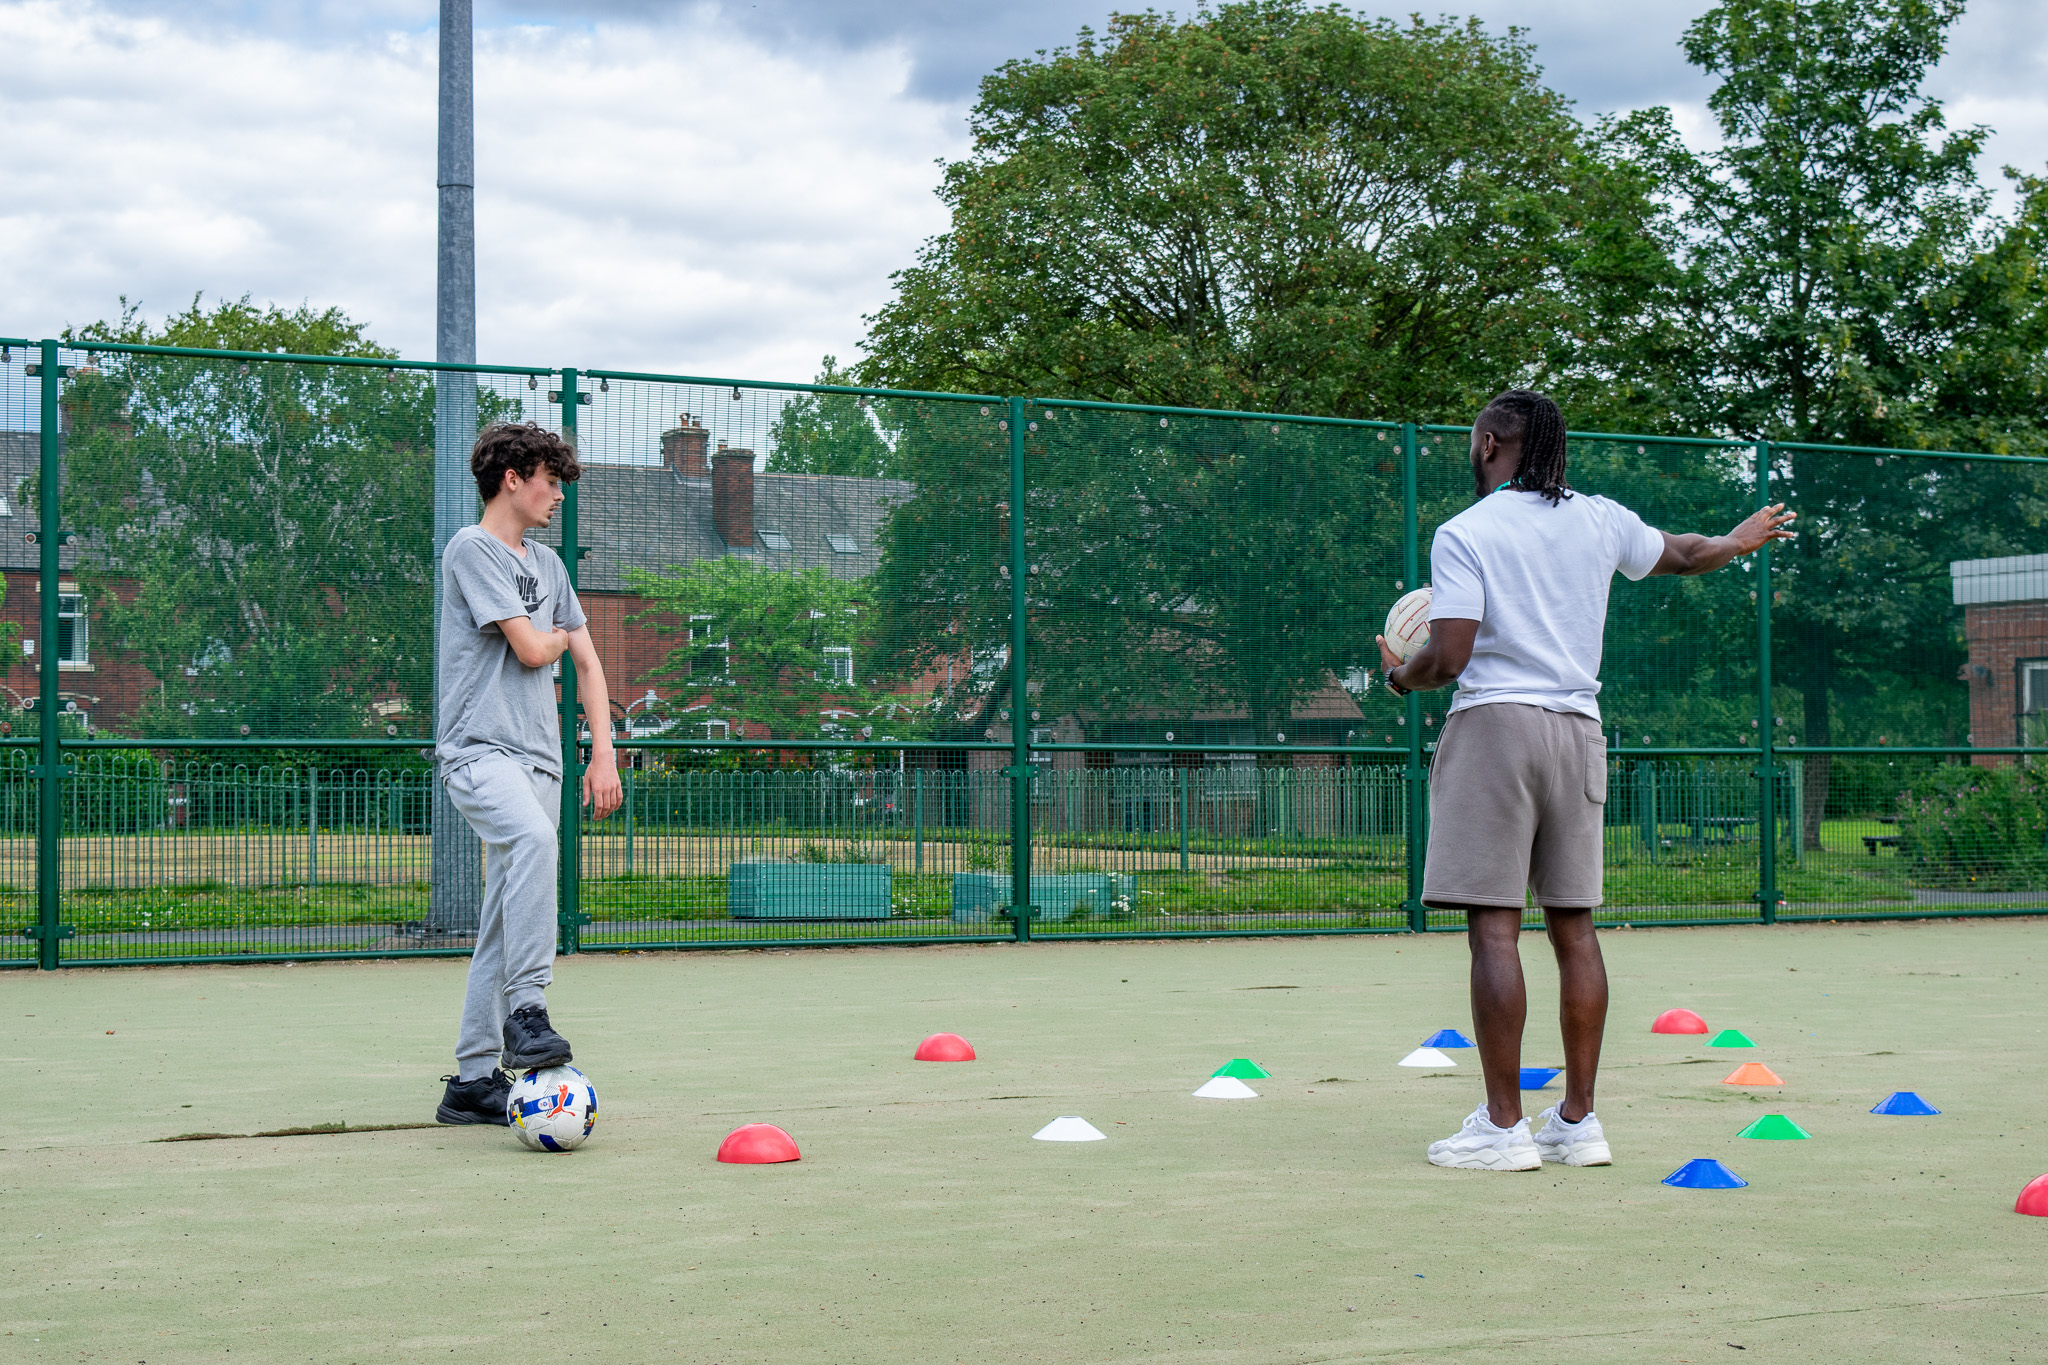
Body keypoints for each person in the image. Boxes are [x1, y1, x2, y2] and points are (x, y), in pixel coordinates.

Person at [1377, 390, 1794, 1171]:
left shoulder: (1466, 532)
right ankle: (1577, 1120)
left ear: (1492, 442)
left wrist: (1402, 676)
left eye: (1476, 440)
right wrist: (1738, 539)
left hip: (1497, 726)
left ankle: (1503, 1131)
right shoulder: (1600, 518)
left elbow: (1453, 655)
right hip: (1579, 731)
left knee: (1495, 929)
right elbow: (1686, 553)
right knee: (1575, 930)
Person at [434, 422, 624, 1126]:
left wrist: (600, 750)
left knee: (498, 924)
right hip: (480, 753)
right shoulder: (472, 548)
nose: (558, 496)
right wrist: (550, 637)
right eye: (550, 479)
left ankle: (472, 1080)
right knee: (536, 847)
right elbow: (534, 648)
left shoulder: (550, 568)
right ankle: (528, 1009)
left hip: (543, 759)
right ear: (512, 477)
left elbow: (587, 661)